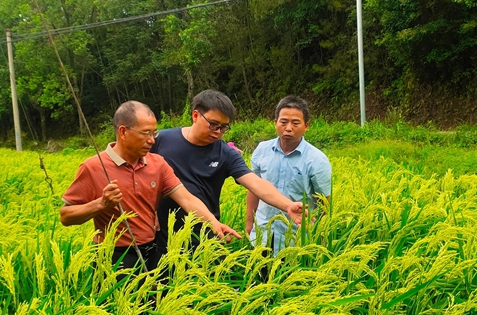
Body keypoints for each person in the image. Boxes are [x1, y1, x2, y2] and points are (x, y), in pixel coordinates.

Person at [60, 101, 241, 272]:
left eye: (154, 133)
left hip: (153, 250)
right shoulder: (93, 167)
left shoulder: (158, 164)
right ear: (123, 132)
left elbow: (187, 199)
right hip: (112, 255)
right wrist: (101, 204)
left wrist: (214, 223)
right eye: (145, 133)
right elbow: (66, 216)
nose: (152, 140)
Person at [151, 90, 304, 254]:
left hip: (206, 233)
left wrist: (287, 205)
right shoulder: (161, 140)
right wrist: (149, 210)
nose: (218, 131)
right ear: (195, 116)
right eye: (213, 124)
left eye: (224, 127)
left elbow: (255, 182)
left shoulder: (225, 153)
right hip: (159, 234)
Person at [246, 96, 331, 255]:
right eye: (283, 122)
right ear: (275, 122)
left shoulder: (317, 160)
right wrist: (249, 223)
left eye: (295, 123)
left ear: (306, 126)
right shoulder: (262, 151)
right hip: (262, 234)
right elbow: (253, 189)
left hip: (296, 239)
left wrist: (320, 236)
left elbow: (324, 204)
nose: (288, 128)